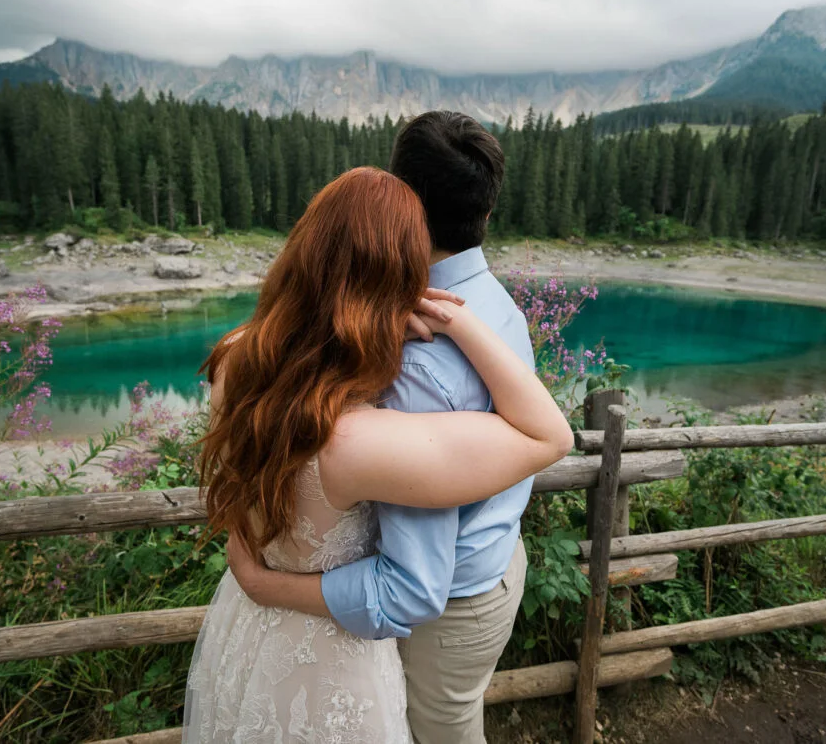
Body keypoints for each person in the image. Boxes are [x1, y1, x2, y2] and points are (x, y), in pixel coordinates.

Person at [182, 164, 571, 743]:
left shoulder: (238, 356)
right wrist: (457, 323)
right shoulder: (359, 439)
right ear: (399, 279)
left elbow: (246, 484)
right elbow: (550, 437)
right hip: (336, 659)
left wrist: (255, 576)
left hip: (245, 631)